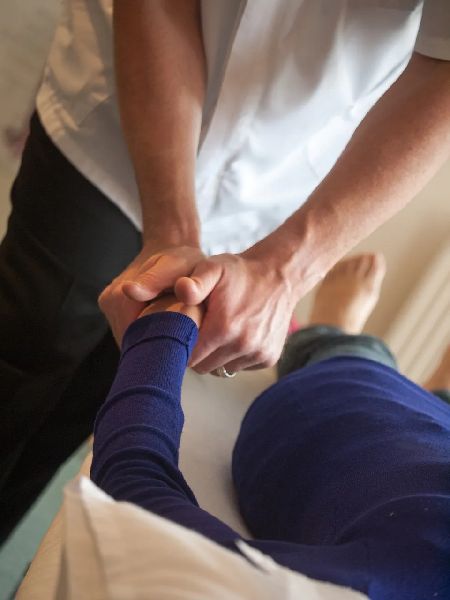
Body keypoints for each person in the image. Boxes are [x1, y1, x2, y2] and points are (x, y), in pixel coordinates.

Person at [1, 0, 450, 542]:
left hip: (278, 170)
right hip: (115, 115)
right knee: (30, 344)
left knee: (93, 393)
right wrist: (171, 232)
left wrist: (286, 270)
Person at [80, 252, 450, 598]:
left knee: (352, 361)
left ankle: (332, 330)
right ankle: (440, 390)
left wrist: (169, 320)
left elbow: (135, 478)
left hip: (336, 410)